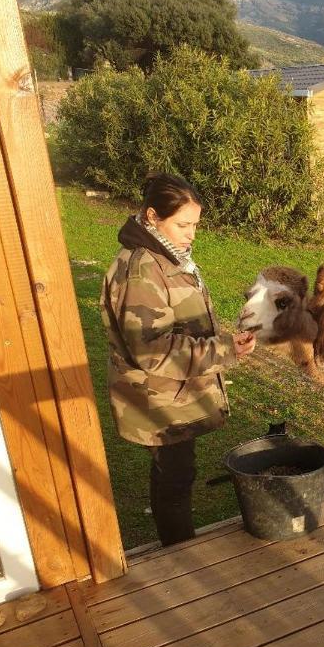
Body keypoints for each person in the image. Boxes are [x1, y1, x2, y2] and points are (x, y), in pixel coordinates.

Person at [100, 172, 255, 546]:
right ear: (153, 217)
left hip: (173, 393)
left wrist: (223, 341)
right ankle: (178, 556)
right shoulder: (143, 270)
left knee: (176, 473)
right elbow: (153, 351)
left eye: (195, 225)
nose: (191, 234)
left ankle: (177, 547)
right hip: (160, 399)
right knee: (173, 478)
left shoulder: (167, 256)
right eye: (182, 224)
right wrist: (224, 350)